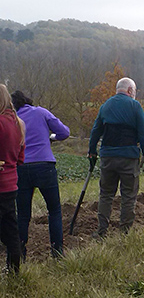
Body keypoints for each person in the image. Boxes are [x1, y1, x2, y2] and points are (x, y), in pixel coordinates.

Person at [89, 77, 144, 238]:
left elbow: (95, 131)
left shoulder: (105, 106)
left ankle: (102, 231)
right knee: (128, 195)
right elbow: (143, 133)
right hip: (128, 158)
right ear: (130, 91)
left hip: (108, 158)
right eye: (135, 91)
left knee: (106, 195)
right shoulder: (135, 106)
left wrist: (92, 152)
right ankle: (124, 232)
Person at [11, 90, 70, 259]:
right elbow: (64, 132)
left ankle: (20, 254)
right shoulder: (41, 112)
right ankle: (57, 252)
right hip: (45, 166)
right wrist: (51, 137)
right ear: (28, 101)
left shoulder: (14, 120)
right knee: (54, 210)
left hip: (21, 167)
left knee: (22, 214)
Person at [0, 84, 25, 273]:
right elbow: (20, 158)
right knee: (11, 229)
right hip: (11, 183)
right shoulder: (18, 123)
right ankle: (14, 272)